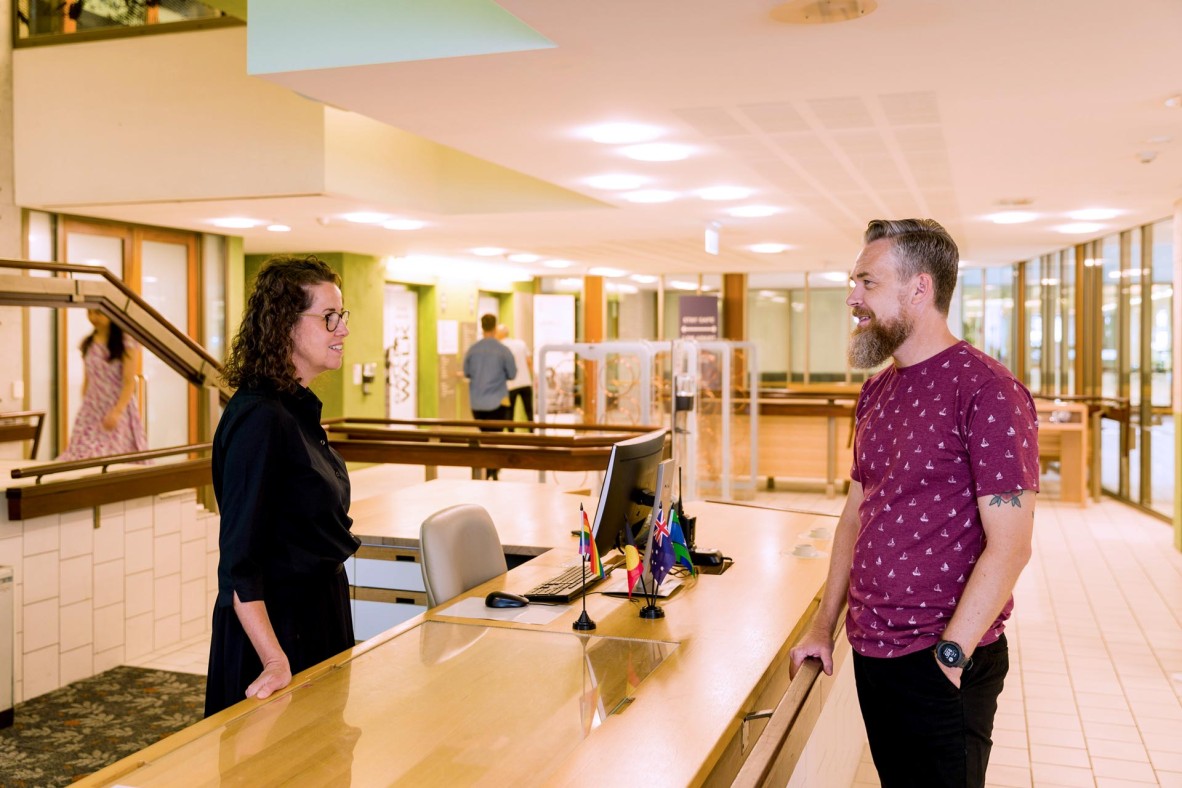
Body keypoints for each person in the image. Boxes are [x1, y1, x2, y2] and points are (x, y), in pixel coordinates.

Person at [789, 219, 1039, 788]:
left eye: (867, 282)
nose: (852, 297)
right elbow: (857, 514)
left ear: (919, 289)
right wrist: (824, 626)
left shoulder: (987, 391)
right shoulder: (877, 388)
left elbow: (1012, 547)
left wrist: (950, 658)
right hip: (874, 652)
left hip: (941, 658)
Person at [204, 255, 360, 717]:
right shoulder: (260, 418)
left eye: (342, 315)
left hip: (318, 614)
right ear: (284, 327)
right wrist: (273, 659)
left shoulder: (296, 410)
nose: (342, 330)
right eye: (328, 317)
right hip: (277, 635)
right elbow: (239, 563)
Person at [57, 310, 148, 461]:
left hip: (117, 405)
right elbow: (88, 379)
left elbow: (128, 382)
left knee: (114, 455)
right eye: (90, 313)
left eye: (99, 313)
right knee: (82, 454)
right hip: (92, 407)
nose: (93, 318)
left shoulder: (126, 342)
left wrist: (117, 411)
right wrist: (85, 406)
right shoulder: (88, 343)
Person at [462, 313, 516, 480]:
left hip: (477, 403)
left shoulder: (472, 349)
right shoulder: (503, 350)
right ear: (495, 327)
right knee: (494, 436)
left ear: (482, 326)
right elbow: (512, 374)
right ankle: (492, 468)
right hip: (497, 401)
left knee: (483, 434)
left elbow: (466, 372)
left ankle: (487, 467)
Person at [496, 323, 534, 423]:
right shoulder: (520, 343)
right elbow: (529, 362)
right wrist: (532, 378)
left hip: (510, 385)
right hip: (526, 382)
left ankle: (511, 436)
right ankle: (532, 434)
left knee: (509, 412)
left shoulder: (499, 347)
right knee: (529, 411)